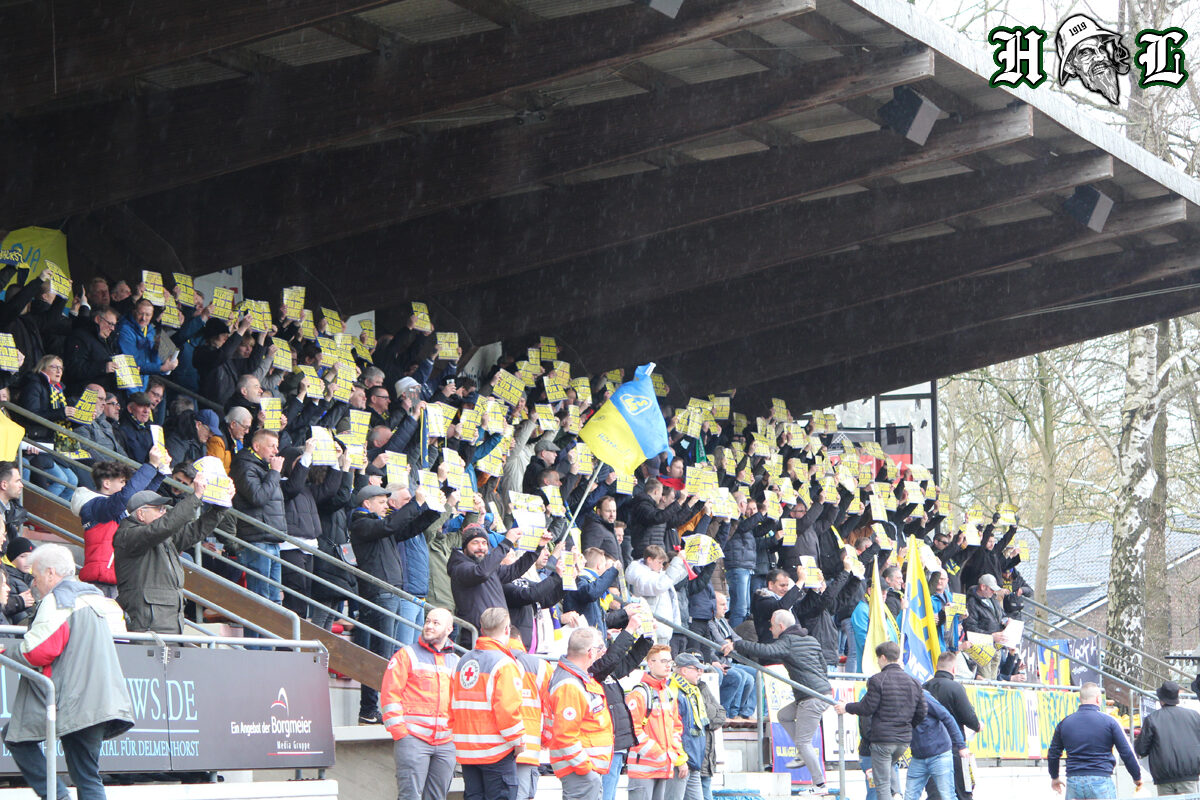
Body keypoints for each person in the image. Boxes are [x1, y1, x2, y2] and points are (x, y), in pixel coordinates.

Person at [3, 543, 134, 800]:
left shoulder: (57, 601)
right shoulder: (99, 598)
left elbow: (38, 651)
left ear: (51, 573)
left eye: (37, 576)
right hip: (102, 699)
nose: (34, 584)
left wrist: (7, 653)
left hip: (74, 701)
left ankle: (58, 797)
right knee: (87, 776)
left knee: (15, 737)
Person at [350, 485, 440, 724]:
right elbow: (390, 525)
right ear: (366, 503)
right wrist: (416, 503)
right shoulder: (361, 522)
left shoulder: (379, 525)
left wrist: (432, 509)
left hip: (391, 591)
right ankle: (375, 708)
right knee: (382, 654)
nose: (385, 506)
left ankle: (372, 708)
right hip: (380, 593)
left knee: (384, 652)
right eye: (381, 502)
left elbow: (409, 528)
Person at [112, 480, 228, 634]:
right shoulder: (128, 535)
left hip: (167, 621)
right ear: (141, 514)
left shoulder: (160, 535)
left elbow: (195, 530)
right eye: (159, 509)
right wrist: (196, 496)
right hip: (148, 625)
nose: (164, 512)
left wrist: (220, 506)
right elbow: (166, 525)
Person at [732, 609, 831, 788]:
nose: (770, 629)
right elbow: (823, 668)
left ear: (781, 626)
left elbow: (766, 650)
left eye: (771, 625)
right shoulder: (811, 640)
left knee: (804, 741)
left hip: (811, 697)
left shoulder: (788, 641)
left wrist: (737, 644)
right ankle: (803, 753)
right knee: (784, 715)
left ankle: (820, 785)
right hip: (821, 693)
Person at [381, 608, 460, 800]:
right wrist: (401, 734)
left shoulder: (456, 662)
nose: (429, 626)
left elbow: (461, 703)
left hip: (446, 743)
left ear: (449, 629)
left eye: (436, 623)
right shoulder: (406, 655)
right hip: (413, 739)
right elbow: (389, 695)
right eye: (427, 621)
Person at [449, 607, 526, 800]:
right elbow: (508, 710)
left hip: (467, 749)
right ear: (507, 629)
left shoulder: (463, 661)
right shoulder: (505, 664)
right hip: (496, 751)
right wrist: (518, 741)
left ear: (481, 629)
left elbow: (452, 703)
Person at [834, 641, 927, 800]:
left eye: (878, 659)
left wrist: (846, 707)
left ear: (883, 658)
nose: (877, 662)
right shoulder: (914, 681)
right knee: (889, 769)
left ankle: (895, 794)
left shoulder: (877, 680)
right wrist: (907, 726)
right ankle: (897, 794)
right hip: (903, 741)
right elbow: (922, 711)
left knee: (882, 784)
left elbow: (867, 708)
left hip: (883, 740)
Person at [74, 456, 166, 598]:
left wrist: (160, 472)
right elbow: (126, 497)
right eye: (122, 482)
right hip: (101, 582)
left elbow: (138, 497)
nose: (125, 486)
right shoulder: (95, 506)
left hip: (115, 578)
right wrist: (151, 465)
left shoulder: (111, 507)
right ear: (106, 483)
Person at [546, 627, 615, 800]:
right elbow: (565, 736)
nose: (603, 652)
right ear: (590, 652)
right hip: (580, 771)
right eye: (600, 648)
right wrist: (585, 768)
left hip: (584, 771)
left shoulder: (576, 679)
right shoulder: (570, 684)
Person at [1047, 682, 1141, 798]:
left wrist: (1054, 777)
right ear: (1098, 699)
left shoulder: (1064, 723)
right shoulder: (1110, 722)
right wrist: (1137, 777)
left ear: (1080, 699)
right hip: (1100, 780)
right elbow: (1127, 752)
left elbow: (1053, 753)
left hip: (1073, 781)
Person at [447, 523, 542, 637]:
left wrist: (538, 548)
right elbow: (481, 573)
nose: (481, 547)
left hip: (499, 634)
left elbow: (515, 570)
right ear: (465, 547)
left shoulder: (487, 567)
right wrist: (506, 542)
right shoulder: (460, 567)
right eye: (475, 543)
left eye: (484, 543)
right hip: (477, 637)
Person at [230, 428, 286, 603]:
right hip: (256, 538)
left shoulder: (264, 468)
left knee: (275, 599)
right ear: (256, 446)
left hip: (271, 538)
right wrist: (275, 472)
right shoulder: (244, 465)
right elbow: (258, 497)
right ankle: (255, 633)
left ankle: (271, 632)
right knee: (260, 599)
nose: (276, 451)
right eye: (272, 446)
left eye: (277, 447)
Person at [627, 644, 688, 800]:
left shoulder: (667, 693)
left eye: (670, 661)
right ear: (651, 663)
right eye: (663, 661)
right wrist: (659, 753)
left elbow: (676, 727)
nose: (668, 665)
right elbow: (633, 731)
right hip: (643, 769)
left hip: (662, 766)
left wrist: (672, 754)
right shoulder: (639, 693)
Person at [924, 651, 980, 800]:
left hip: (928, 748)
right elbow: (969, 717)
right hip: (955, 748)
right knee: (963, 791)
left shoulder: (923, 688)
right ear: (954, 669)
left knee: (935, 793)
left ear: (937, 667)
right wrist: (978, 726)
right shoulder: (956, 688)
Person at [1134, 681, 1200, 795]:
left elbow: (1141, 749)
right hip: (1189, 776)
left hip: (1164, 778)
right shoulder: (1194, 716)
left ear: (1161, 699)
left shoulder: (1152, 719)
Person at [905, 691, 968, 800]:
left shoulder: (923, 696)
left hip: (939, 753)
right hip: (919, 756)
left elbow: (947, 717)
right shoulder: (898, 700)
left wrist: (961, 746)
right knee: (910, 797)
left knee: (947, 796)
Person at [707, 591, 757, 721]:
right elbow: (721, 644)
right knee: (742, 677)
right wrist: (731, 643)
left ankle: (745, 712)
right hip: (720, 661)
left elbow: (739, 640)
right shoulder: (710, 622)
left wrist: (732, 644)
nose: (726, 608)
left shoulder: (723, 621)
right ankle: (730, 713)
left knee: (757, 673)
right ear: (713, 605)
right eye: (722, 604)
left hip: (730, 661)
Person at [626, 545, 689, 646]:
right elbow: (659, 586)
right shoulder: (640, 575)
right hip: (649, 631)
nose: (661, 566)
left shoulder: (656, 574)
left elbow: (673, 578)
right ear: (649, 560)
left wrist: (688, 563)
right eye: (659, 562)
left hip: (662, 630)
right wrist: (677, 560)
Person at [667, 652, 707, 800]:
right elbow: (671, 729)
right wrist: (680, 759)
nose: (700, 673)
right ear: (684, 671)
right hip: (681, 762)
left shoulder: (692, 691)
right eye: (697, 669)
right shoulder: (673, 691)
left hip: (692, 761)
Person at [963, 574, 1009, 680]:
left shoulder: (993, 600)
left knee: (993, 679)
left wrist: (1006, 621)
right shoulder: (971, 603)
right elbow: (970, 628)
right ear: (983, 587)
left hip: (996, 647)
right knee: (985, 679)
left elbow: (1001, 615)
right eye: (991, 589)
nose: (993, 592)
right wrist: (991, 636)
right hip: (981, 649)